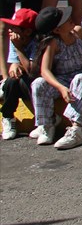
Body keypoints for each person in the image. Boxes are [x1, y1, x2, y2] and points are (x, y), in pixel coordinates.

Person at [30, 6, 82, 149]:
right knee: (38, 83)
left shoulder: (77, 32)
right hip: (64, 80)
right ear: (57, 30)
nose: (70, 19)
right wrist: (61, 88)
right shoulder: (53, 43)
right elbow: (45, 71)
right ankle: (47, 124)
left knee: (80, 78)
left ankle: (77, 128)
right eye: (65, 20)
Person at [1, 8, 38, 140]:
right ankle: (8, 117)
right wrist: (16, 65)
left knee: (25, 80)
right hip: (22, 82)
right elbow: (14, 65)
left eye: (15, 27)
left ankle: (44, 118)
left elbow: (31, 70)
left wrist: (18, 48)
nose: (10, 30)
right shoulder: (14, 40)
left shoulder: (36, 43)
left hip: (34, 84)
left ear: (27, 31)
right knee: (11, 81)